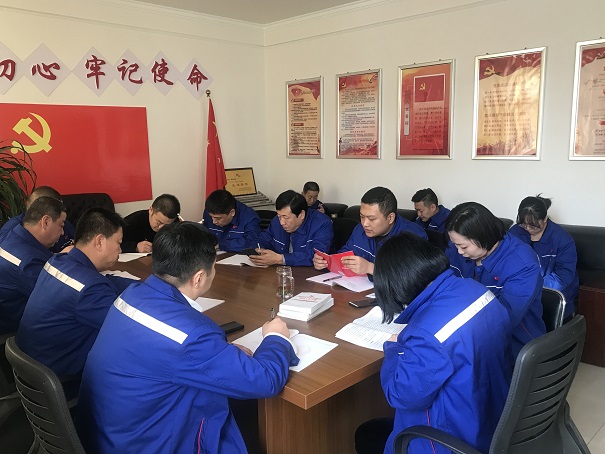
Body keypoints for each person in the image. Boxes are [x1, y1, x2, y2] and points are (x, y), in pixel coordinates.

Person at [77, 222, 299, 453]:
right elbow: (265, 381)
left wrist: (219, 352)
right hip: (145, 444)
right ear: (198, 277)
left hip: (106, 434)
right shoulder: (191, 335)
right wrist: (276, 337)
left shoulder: (132, 294)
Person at [355, 233, 512, 454]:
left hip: (447, 440)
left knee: (366, 434)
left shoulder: (426, 336)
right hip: (491, 419)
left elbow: (400, 395)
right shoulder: (476, 289)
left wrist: (394, 348)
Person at [17, 208, 137, 377]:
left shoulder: (58, 260)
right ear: (99, 241)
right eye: (118, 243)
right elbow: (128, 328)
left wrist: (142, 286)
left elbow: (104, 280)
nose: (120, 250)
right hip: (62, 377)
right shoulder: (90, 289)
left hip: (33, 363)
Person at [445, 202, 545, 358]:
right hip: (466, 330)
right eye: (455, 244)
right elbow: (445, 284)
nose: (458, 251)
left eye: (463, 247)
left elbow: (503, 319)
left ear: (483, 236)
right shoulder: (458, 249)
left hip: (514, 341)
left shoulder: (522, 263)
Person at [313, 187, 427, 276]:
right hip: (358, 291)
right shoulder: (359, 230)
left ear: (390, 218)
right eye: (362, 216)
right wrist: (327, 262)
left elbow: (414, 276)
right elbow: (344, 255)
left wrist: (370, 268)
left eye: (371, 219)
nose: (365, 224)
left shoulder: (413, 236)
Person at [0, 197, 67, 334]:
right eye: (61, 225)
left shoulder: (12, 235)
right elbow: (60, 298)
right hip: (15, 330)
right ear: (46, 221)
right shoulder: (28, 262)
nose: (62, 233)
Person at [509, 195, 579, 320]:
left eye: (533, 226)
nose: (528, 229)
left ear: (545, 218)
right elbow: (506, 261)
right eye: (524, 225)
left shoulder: (562, 239)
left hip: (551, 292)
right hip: (521, 288)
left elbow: (563, 276)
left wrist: (532, 286)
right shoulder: (515, 233)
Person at [250, 189, 332, 266]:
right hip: (279, 272)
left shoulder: (322, 223)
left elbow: (318, 255)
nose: (281, 222)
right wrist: (258, 249)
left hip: (309, 273)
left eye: (286, 217)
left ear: (301, 215)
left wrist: (281, 259)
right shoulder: (277, 221)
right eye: (279, 216)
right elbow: (263, 239)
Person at [0, 185, 75, 252]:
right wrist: (59, 258)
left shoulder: (62, 223)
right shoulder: (10, 233)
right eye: (58, 208)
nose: (62, 232)